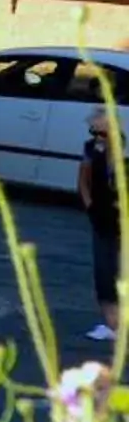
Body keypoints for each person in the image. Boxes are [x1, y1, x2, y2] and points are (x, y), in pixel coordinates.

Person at [84, 115, 121, 344]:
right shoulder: (91, 149)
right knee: (104, 273)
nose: (98, 139)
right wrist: (91, 208)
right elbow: (83, 181)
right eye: (93, 133)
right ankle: (111, 324)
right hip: (103, 218)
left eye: (103, 134)